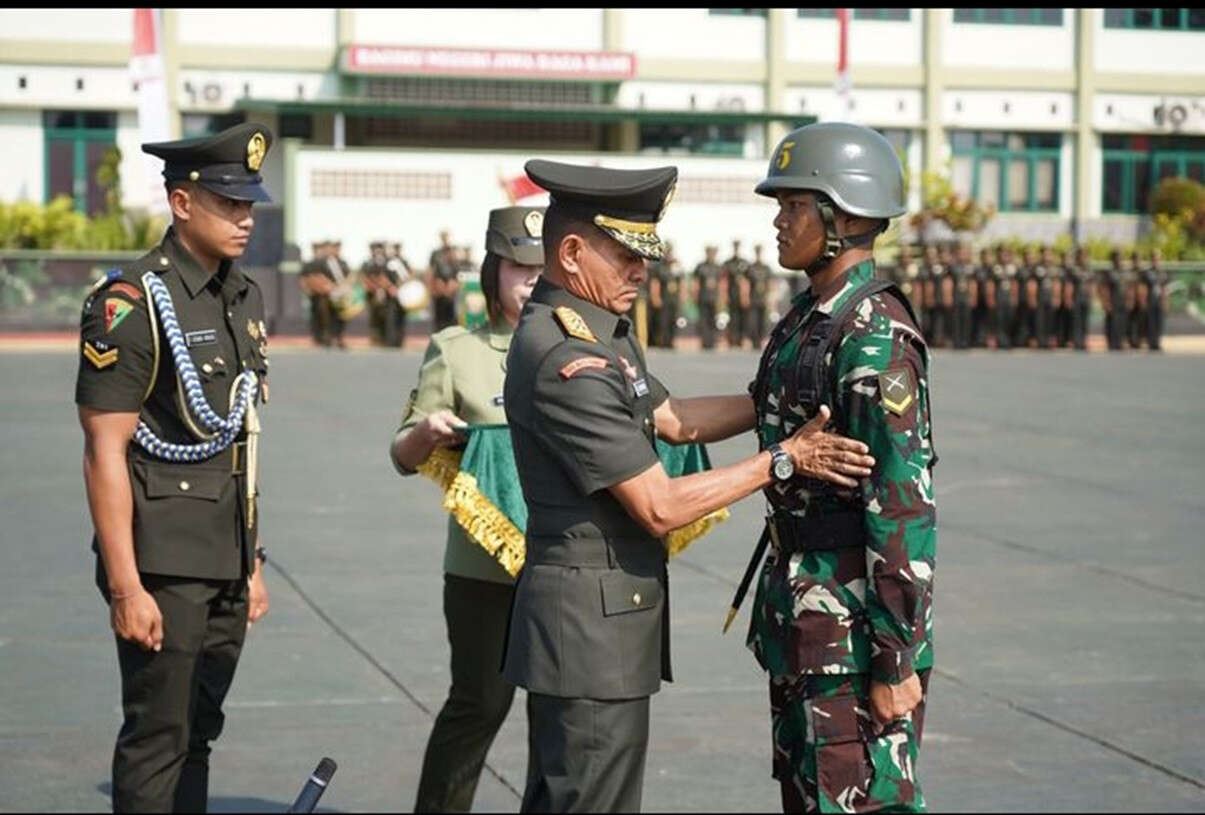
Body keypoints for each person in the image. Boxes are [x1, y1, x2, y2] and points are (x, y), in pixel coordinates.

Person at [503, 158, 875, 813]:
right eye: (625, 256)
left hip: (596, 627)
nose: (641, 272)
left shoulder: (599, 329)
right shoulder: (567, 356)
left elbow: (672, 421)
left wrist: (775, 397)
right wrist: (784, 459)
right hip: (587, 634)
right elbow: (658, 505)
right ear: (569, 252)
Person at [75, 121, 273, 813]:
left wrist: (252, 560)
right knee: (158, 735)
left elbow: (239, 441)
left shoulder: (241, 296)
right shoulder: (131, 303)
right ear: (183, 204)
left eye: (249, 205)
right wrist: (126, 586)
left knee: (200, 733)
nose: (245, 219)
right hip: (161, 563)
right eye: (230, 204)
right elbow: (104, 449)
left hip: (225, 557)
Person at [748, 121, 938, 814]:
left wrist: (893, 659)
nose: (777, 219)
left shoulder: (875, 334)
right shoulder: (807, 318)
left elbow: (902, 505)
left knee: (861, 803)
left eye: (793, 205)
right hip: (802, 621)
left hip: (855, 638)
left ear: (846, 215)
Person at [390, 205, 546, 813]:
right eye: (517, 267)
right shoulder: (456, 352)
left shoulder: (594, 349)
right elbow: (402, 453)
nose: (531, 280)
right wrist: (428, 431)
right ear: (493, 272)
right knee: (479, 704)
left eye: (541, 266)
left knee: (558, 717)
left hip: (566, 568)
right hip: (484, 569)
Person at [299, 240, 336, 347]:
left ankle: (327, 336)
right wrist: (310, 289)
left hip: (327, 295)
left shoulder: (327, 263)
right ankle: (317, 337)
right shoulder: (309, 264)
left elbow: (331, 279)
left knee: (328, 317)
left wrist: (328, 287)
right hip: (314, 294)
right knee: (315, 316)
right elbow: (304, 278)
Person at [428, 230, 461, 331]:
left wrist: (453, 283)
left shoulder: (453, 251)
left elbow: (456, 269)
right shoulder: (435, 253)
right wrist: (434, 286)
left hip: (451, 286)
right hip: (439, 286)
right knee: (439, 316)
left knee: (451, 316)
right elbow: (431, 270)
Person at [693, 244, 723, 350]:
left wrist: (721, 298)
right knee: (703, 320)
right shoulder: (700, 266)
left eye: (713, 253)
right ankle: (705, 342)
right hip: (703, 297)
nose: (712, 255)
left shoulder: (718, 267)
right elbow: (696, 283)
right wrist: (695, 296)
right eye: (710, 252)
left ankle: (712, 341)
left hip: (714, 298)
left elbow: (721, 284)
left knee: (713, 320)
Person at [724, 239, 751, 349]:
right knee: (733, 319)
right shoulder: (728, 263)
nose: (736, 249)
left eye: (737, 247)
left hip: (742, 296)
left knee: (742, 319)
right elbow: (724, 280)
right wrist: (724, 295)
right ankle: (732, 341)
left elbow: (747, 281)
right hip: (732, 295)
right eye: (735, 247)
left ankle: (740, 340)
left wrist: (745, 296)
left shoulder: (745, 263)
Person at [362, 241, 391, 346]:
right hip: (372, 294)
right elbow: (365, 278)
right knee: (373, 317)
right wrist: (376, 289)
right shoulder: (367, 263)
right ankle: (374, 338)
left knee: (385, 316)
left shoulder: (387, 263)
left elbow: (388, 278)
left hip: (385, 293)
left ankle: (384, 338)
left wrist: (383, 288)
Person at [746, 243, 774, 348]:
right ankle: (754, 341)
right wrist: (746, 297)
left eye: (759, 253)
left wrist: (770, 298)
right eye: (757, 253)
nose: (758, 255)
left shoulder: (766, 268)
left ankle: (760, 341)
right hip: (753, 298)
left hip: (763, 298)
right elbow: (746, 284)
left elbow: (770, 284)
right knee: (753, 321)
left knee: (762, 322)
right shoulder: (750, 268)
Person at [1100, 249, 1126, 351]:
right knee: (1112, 323)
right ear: (1113, 259)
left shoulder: (1123, 272)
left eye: (1121, 258)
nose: (1119, 260)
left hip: (1121, 301)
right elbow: (1104, 288)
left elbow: (1127, 287)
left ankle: (1119, 342)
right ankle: (1111, 343)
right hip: (1112, 301)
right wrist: (1106, 302)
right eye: (1117, 258)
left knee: (1121, 323)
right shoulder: (1109, 273)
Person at [1141, 248, 1167, 351]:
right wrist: (1143, 301)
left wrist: (1165, 302)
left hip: (1159, 300)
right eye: (1154, 258)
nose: (1156, 261)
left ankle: (1157, 342)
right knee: (1150, 322)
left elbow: (1165, 289)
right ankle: (1151, 342)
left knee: (1159, 322)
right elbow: (1142, 287)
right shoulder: (1147, 273)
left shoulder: (1163, 273)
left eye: (1158, 259)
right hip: (1150, 299)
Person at [994, 245, 1019, 350]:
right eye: (1003, 254)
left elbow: (1015, 283)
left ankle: (1010, 340)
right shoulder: (996, 268)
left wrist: (1014, 297)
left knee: (1010, 319)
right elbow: (991, 285)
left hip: (1010, 296)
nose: (1005, 257)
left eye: (1007, 255)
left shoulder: (1014, 268)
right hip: (999, 296)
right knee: (1000, 320)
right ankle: (1002, 341)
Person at [951, 243, 974, 349]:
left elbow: (974, 283)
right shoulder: (953, 267)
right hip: (956, 295)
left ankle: (966, 341)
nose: (962, 256)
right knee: (956, 319)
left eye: (964, 254)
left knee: (967, 319)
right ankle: (957, 341)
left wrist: (973, 296)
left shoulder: (971, 267)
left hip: (967, 296)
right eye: (960, 254)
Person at [972, 247, 994, 348]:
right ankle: (980, 339)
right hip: (980, 298)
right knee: (979, 321)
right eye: (985, 256)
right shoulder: (978, 269)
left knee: (991, 321)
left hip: (992, 299)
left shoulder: (994, 270)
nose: (987, 258)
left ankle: (990, 339)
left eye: (989, 256)